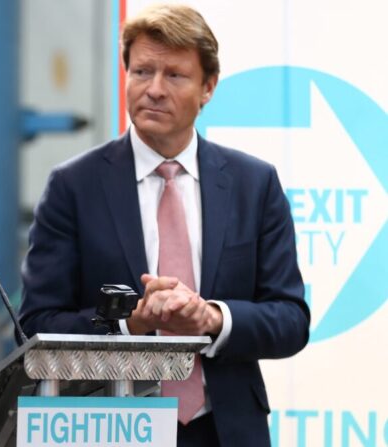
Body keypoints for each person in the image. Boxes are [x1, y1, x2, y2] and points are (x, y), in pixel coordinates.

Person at [18, 4, 310, 447]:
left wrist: (212, 317)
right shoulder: (73, 186)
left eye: (174, 75)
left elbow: (290, 319)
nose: (153, 89)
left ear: (208, 86)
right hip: (112, 428)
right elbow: (37, 324)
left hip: (226, 428)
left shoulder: (255, 183)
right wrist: (130, 326)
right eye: (141, 72)